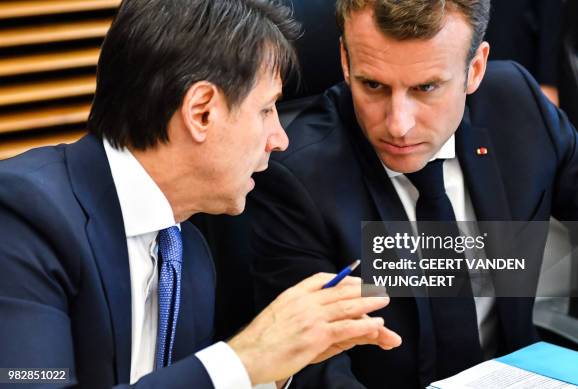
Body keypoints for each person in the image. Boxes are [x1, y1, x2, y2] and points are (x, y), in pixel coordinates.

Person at [0, 1, 402, 388]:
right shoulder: (22, 217)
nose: (280, 139)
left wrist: (273, 370)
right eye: (266, 110)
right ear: (201, 112)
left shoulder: (188, 252)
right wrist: (244, 358)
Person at [248, 0, 578, 387]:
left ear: (475, 69)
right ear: (345, 59)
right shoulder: (298, 176)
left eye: (426, 88)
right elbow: (309, 365)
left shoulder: (516, 105)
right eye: (373, 85)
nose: (398, 125)